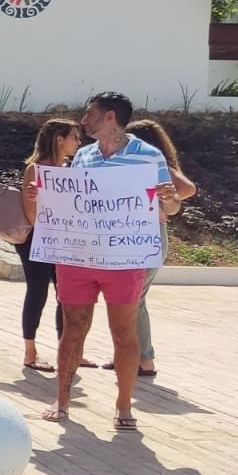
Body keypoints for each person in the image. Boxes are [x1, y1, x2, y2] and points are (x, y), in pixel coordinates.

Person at [41, 92, 180, 431]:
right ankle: (61, 400)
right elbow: (75, 202)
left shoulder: (148, 156)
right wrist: (44, 196)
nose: (84, 121)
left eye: (90, 114)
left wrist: (169, 200)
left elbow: (172, 207)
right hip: (79, 257)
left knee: (123, 333)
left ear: (111, 117)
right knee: (72, 329)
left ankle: (123, 406)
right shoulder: (84, 156)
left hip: (123, 257)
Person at [112, 119, 196, 377]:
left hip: (147, 239)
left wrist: (161, 204)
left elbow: (187, 189)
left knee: (133, 300)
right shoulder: (139, 164)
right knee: (135, 300)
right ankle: (133, 355)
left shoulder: (151, 163)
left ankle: (144, 359)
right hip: (140, 237)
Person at [16, 118, 82, 372]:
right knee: (38, 290)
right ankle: (30, 351)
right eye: (75, 137)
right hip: (36, 239)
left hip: (64, 240)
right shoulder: (35, 169)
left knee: (65, 295)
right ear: (59, 139)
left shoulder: (72, 169)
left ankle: (66, 350)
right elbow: (30, 212)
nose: (79, 142)